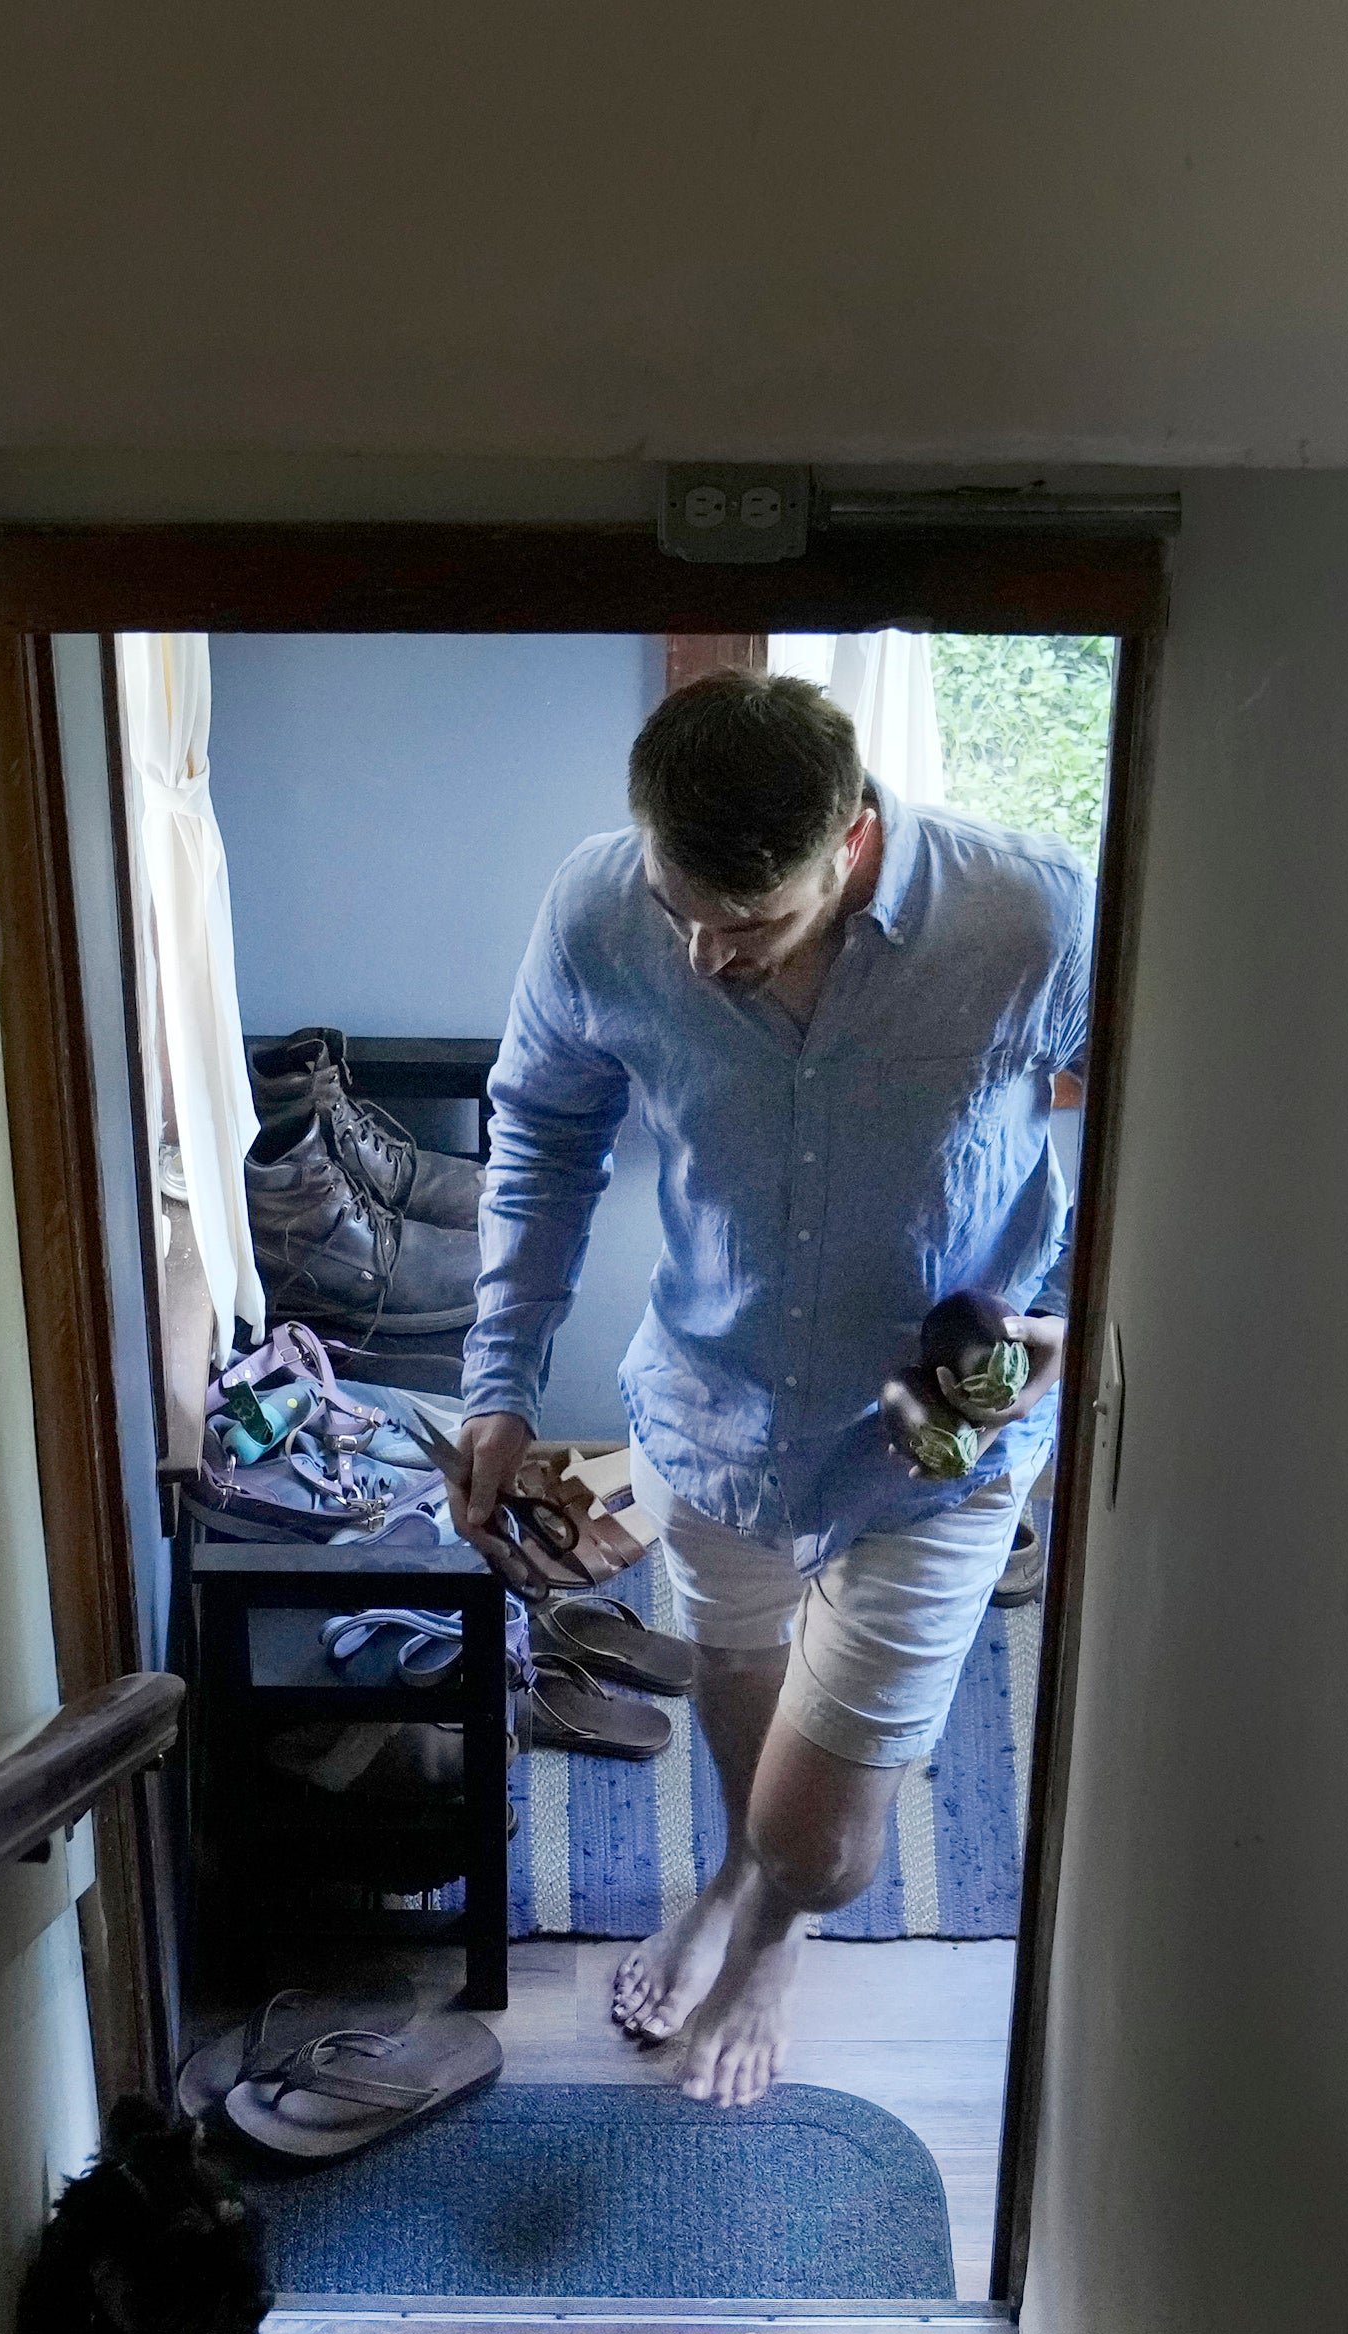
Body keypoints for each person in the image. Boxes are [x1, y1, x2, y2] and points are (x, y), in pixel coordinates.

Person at [449, 671, 1085, 2104]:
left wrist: (1071, 1321)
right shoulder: (598, 907)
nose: (703, 955)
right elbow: (543, 1135)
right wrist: (494, 1388)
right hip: (707, 1404)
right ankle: (732, 1877)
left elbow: (1194, 1104)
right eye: (682, 909)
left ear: (852, 841)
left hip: (936, 1428)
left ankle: (780, 1912)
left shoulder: (1035, 917)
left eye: (749, 924)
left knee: (829, 1845)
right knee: (737, 1683)